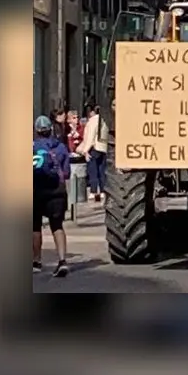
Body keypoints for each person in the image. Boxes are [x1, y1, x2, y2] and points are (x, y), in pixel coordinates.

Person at [33, 115, 71, 277]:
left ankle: (36, 261)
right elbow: (67, 173)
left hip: (35, 191)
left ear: (36, 131)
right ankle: (62, 260)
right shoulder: (60, 147)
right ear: (51, 129)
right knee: (57, 226)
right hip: (57, 191)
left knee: (34, 227)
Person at [76, 102, 109, 202]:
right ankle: (103, 190)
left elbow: (90, 136)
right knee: (102, 170)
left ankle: (93, 191)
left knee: (92, 170)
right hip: (103, 147)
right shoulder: (105, 120)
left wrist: (85, 151)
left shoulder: (94, 120)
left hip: (94, 148)